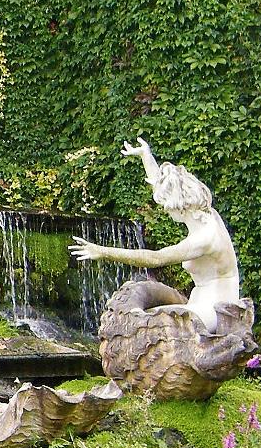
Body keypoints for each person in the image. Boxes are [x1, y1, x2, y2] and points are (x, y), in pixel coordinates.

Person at [69, 138, 242, 329]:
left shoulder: (205, 238)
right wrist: (146, 156)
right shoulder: (206, 214)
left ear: (179, 207)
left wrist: (102, 251)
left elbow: (155, 259)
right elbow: (165, 188)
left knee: (147, 327)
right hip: (199, 305)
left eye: (167, 207)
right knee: (137, 322)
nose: (165, 210)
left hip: (216, 312)